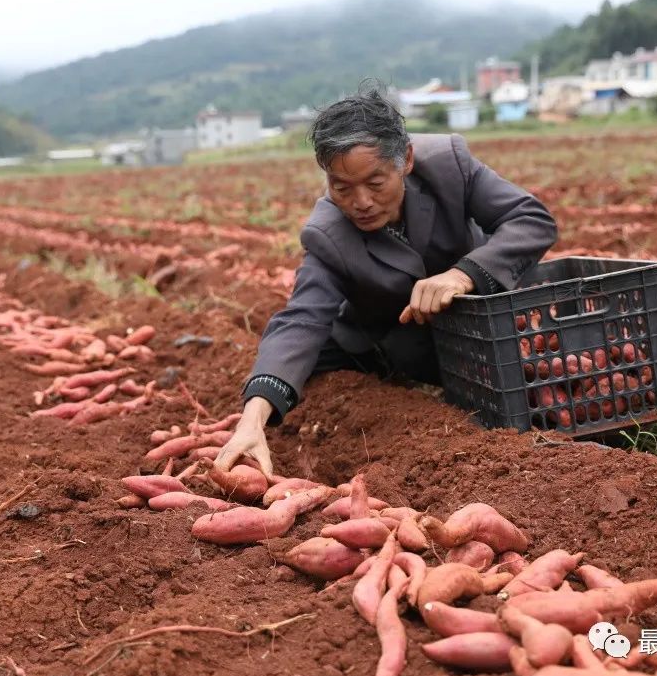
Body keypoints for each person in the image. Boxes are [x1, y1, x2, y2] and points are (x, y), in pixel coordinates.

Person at [215, 81, 557, 477]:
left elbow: (531, 219)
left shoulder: (448, 164)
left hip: (477, 320)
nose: (360, 202)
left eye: (376, 184)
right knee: (301, 363)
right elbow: (302, 318)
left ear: (406, 160)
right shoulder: (327, 232)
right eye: (341, 188)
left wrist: (463, 274)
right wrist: (253, 418)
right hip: (387, 336)